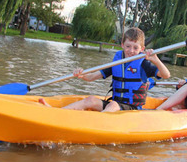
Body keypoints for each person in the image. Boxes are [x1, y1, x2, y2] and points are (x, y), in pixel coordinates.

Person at [40, 27, 170, 112]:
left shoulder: (144, 64)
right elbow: (91, 77)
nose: (131, 51)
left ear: (142, 49)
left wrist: (156, 60)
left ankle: (94, 127)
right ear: (122, 45)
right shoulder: (118, 61)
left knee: (112, 105)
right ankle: (56, 113)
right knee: (91, 99)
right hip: (114, 104)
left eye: (135, 48)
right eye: (128, 46)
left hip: (132, 108)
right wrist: (81, 74)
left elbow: (166, 75)